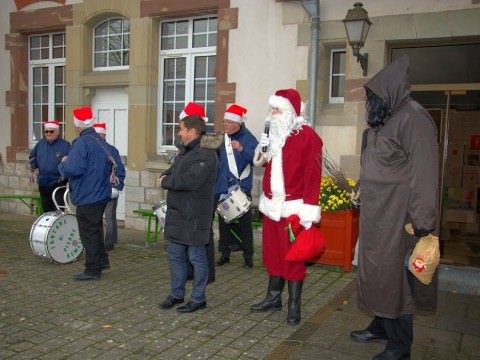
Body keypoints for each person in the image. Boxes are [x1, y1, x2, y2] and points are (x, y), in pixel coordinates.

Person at [350, 55, 439, 360]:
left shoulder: (413, 118)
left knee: (397, 281)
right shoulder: (382, 119)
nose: (369, 102)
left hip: (400, 216)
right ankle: (380, 325)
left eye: (374, 96)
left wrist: (424, 222)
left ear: (390, 92)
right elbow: (376, 162)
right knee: (375, 272)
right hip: (376, 214)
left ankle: (400, 346)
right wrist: (361, 189)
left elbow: (425, 172)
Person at [250, 88, 323, 325]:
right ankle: (273, 298)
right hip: (272, 206)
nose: (271, 113)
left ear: (290, 111)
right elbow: (263, 165)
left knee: (293, 258)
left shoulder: (308, 137)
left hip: (294, 208)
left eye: (276, 109)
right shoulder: (274, 132)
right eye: (271, 108)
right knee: (272, 254)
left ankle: (294, 306)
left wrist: (308, 214)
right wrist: (262, 148)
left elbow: (314, 176)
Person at [158, 109, 218, 313]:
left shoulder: (207, 154)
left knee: (197, 258)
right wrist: (166, 175)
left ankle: (198, 298)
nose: (179, 133)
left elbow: (191, 181)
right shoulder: (186, 151)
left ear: (193, 131)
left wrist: (166, 182)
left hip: (194, 215)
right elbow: (174, 170)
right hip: (178, 214)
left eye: (182, 130)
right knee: (175, 255)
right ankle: (176, 294)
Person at [58, 106, 113, 281]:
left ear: (77, 124)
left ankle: (92, 270)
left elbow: (74, 169)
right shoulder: (99, 140)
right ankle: (102, 261)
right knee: (95, 229)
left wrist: (63, 164)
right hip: (100, 193)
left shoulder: (82, 142)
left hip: (88, 194)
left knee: (89, 233)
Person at [215, 104, 258, 268]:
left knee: (244, 224)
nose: (224, 125)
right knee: (224, 221)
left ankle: (248, 257)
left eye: (227, 122)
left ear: (236, 123)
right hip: (224, 187)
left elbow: (257, 159)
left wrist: (241, 148)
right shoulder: (224, 137)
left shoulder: (248, 138)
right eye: (224, 122)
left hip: (241, 187)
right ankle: (224, 254)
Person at [92, 123, 126, 251]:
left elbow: (120, 169)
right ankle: (103, 241)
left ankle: (109, 242)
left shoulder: (111, 150)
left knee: (109, 216)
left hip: (107, 187)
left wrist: (117, 186)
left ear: (103, 134)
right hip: (97, 188)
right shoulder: (93, 149)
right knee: (102, 216)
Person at [29, 120, 71, 212]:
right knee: (46, 210)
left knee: (59, 210)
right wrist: (34, 167)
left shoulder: (65, 145)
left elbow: (71, 161)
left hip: (58, 182)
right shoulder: (40, 144)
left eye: (51, 131)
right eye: (46, 131)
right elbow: (32, 156)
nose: (48, 133)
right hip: (43, 181)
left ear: (57, 132)